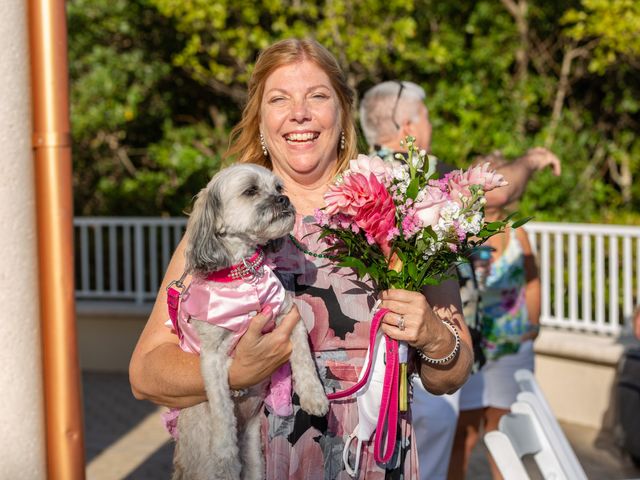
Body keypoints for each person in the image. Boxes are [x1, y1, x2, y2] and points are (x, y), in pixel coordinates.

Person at [129, 39, 474, 480]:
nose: (299, 114)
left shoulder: (406, 211)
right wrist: (237, 371)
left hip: (368, 463)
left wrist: (434, 338)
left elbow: (453, 374)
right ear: (260, 121)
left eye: (317, 96)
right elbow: (145, 373)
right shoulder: (223, 227)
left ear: (342, 115)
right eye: (279, 99)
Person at [358, 80, 559, 480]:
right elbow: (500, 192)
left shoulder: (359, 177)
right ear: (409, 127)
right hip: (425, 357)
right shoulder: (425, 179)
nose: (431, 126)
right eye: (428, 116)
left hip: (371, 364)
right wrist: (532, 161)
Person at [448, 153, 542, 480]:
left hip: (511, 348)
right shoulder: (459, 232)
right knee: (465, 432)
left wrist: (532, 326)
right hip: (472, 350)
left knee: (505, 432)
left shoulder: (518, 232)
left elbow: (531, 282)